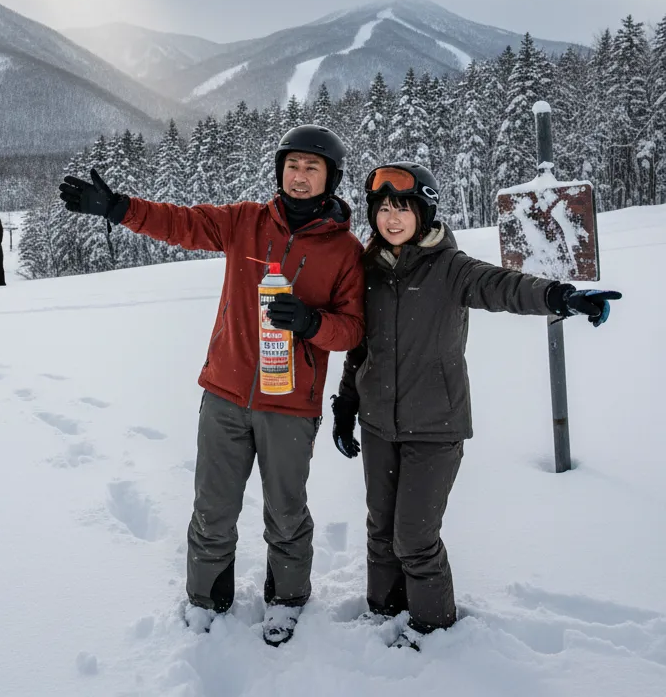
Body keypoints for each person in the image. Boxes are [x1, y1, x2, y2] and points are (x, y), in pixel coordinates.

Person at [59, 125, 365, 645]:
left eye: (312, 168)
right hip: (224, 392)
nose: (300, 176)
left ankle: (287, 600)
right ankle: (206, 599)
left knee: (286, 513)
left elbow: (353, 329)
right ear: (279, 170)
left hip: (290, 405)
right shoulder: (245, 221)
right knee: (212, 509)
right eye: (292, 165)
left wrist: (313, 324)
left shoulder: (345, 252)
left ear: (331, 179)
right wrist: (118, 208)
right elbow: (181, 224)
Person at [330, 162, 622, 651]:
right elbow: (360, 347)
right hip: (378, 423)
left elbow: (506, 286)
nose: (392, 218)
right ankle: (383, 613)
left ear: (424, 212)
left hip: (435, 427)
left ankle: (432, 629)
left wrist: (561, 296)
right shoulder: (367, 271)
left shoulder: (452, 268)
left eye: (402, 208)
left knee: (414, 539)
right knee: (380, 531)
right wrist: (345, 404)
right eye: (383, 209)